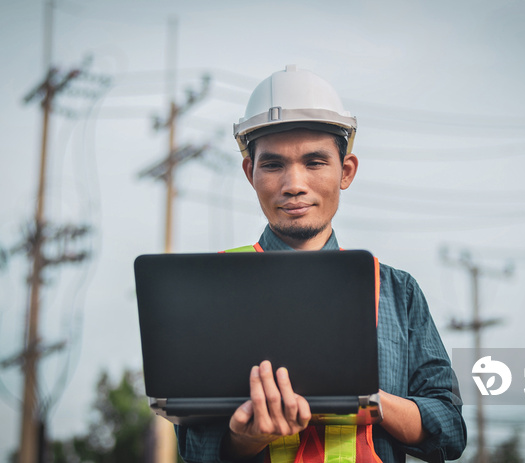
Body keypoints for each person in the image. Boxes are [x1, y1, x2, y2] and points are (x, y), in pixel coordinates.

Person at [176, 65, 466, 462]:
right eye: (273, 164)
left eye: (314, 162)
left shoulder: (396, 292)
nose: (294, 184)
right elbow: (194, 449)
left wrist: (368, 400)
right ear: (250, 172)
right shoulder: (215, 290)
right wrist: (249, 437)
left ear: (345, 171)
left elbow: (449, 429)